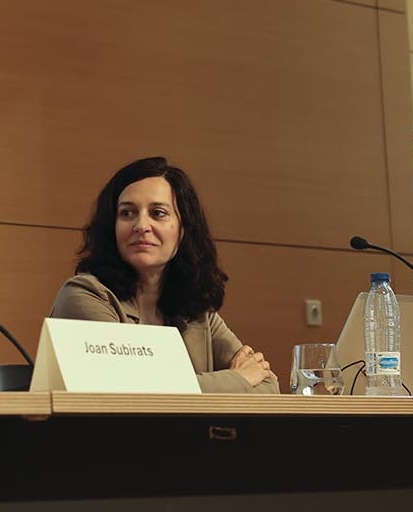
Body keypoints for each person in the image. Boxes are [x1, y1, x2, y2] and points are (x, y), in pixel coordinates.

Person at [50, 156, 278, 394]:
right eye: (127, 213)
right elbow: (129, 393)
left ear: (183, 230)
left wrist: (218, 382)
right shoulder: (85, 296)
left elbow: (267, 385)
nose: (141, 225)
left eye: (157, 213)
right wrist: (236, 379)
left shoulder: (195, 310)